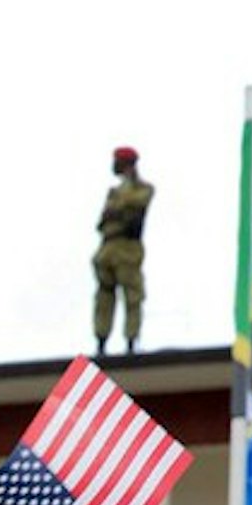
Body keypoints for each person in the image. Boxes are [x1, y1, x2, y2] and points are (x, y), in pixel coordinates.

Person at [94, 147, 153, 357]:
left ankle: (131, 340)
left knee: (132, 295)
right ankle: (101, 341)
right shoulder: (115, 192)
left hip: (127, 248)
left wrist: (119, 207)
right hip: (108, 246)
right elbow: (103, 220)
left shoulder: (142, 188)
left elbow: (136, 202)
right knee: (104, 296)